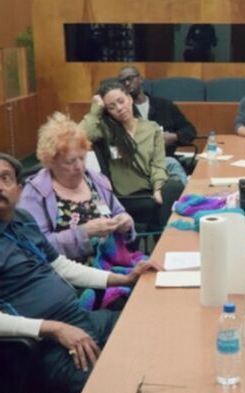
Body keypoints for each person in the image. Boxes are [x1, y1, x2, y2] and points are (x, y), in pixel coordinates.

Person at [0, 150, 161, 393]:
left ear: (19, 190)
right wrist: (56, 329)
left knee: (150, 330)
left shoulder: (22, 219)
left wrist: (124, 279)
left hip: (78, 319)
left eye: (5, 178)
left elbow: (61, 266)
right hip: (39, 349)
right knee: (124, 379)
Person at [19, 113, 148, 311]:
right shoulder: (35, 194)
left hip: (109, 263)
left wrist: (125, 222)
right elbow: (35, 248)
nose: (79, 167)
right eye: (70, 162)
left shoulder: (95, 180)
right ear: (51, 162)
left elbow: (120, 213)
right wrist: (84, 233)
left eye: (82, 158)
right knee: (132, 305)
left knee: (149, 283)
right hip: (67, 280)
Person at [80, 81, 184, 232]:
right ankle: (164, 236)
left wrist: (158, 187)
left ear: (129, 98)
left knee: (174, 187)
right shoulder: (106, 131)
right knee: (168, 202)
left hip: (150, 189)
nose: (119, 108)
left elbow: (158, 164)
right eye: (111, 107)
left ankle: (166, 238)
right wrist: (95, 110)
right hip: (127, 196)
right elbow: (77, 137)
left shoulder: (151, 128)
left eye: (121, 101)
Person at [118, 65, 196, 182]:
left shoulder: (164, 106)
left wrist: (174, 137)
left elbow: (190, 130)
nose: (128, 83)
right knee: (173, 166)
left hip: (166, 157)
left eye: (131, 78)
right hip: (139, 164)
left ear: (141, 79)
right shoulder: (123, 112)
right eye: (123, 81)